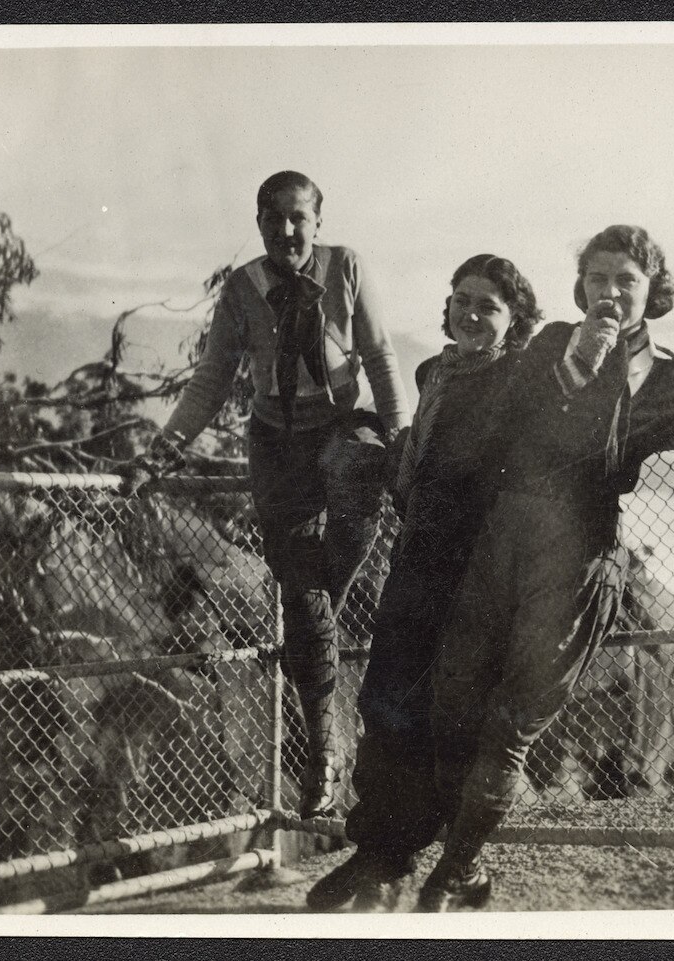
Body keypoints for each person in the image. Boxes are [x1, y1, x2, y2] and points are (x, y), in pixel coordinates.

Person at [416, 225, 674, 911]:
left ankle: (452, 872)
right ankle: (460, 862)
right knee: (453, 707)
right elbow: (502, 426)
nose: (609, 292)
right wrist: (584, 355)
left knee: (513, 722)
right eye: (598, 278)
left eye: (625, 280)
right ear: (581, 286)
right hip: (502, 541)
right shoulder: (549, 345)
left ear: (651, 291)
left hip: (577, 561)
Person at [122, 171, 410, 818]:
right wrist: (159, 456)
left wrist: (401, 440)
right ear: (258, 222)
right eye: (272, 218)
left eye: (298, 217)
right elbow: (210, 381)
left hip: (342, 431)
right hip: (276, 446)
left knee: (324, 576)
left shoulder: (347, 268)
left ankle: (312, 639)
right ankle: (324, 749)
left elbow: (382, 355)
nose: (285, 230)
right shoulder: (243, 288)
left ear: (318, 220)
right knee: (306, 601)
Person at [306, 254, 542, 912]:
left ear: (515, 318)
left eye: (488, 305)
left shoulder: (522, 380)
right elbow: (416, 461)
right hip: (415, 562)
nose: (470, 313)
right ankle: (378, 852)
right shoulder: (433, 373)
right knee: (385, 703)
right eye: (461, 299)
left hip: (479, 574)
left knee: (453, 718)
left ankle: (457, 865)